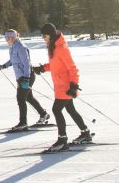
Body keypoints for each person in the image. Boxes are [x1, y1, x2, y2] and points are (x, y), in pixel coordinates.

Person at [33, 23, 92, 152]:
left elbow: (72, 68)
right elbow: (56, 65)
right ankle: (85, 133)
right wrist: (43, 68)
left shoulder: (61, 48)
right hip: (60, 85)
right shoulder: (53, 47)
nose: (43, 38)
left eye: (45, 35)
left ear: (51, 35)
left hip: (66, 86)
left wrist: (74, 85)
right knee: (70, 109)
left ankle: (62, 140)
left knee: (56, 109)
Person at [0, 29, 50, 131]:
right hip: (21, 77)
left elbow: (26, 64)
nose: (8, 39)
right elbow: (13, 60)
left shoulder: (21, 47)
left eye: (10, 37)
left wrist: (26, 78)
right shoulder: (13, 47)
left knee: (20, 98)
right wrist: (3, 66)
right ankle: (44, 114)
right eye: (6, 37)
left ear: (15, 36)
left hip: (26, 76)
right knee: (28, 97)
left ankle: (23, 122)